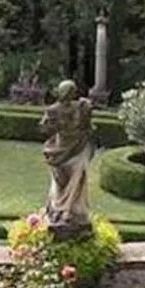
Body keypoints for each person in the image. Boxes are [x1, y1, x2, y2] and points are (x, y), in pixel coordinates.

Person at [39, 80, 95, 237]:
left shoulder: (77, 107)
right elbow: (45, 128)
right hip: (65, 151)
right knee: (64, 181)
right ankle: (62, 210)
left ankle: (68, 211)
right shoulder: (76, 108)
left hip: (73, 150)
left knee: (75, 180)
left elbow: (44, 128)